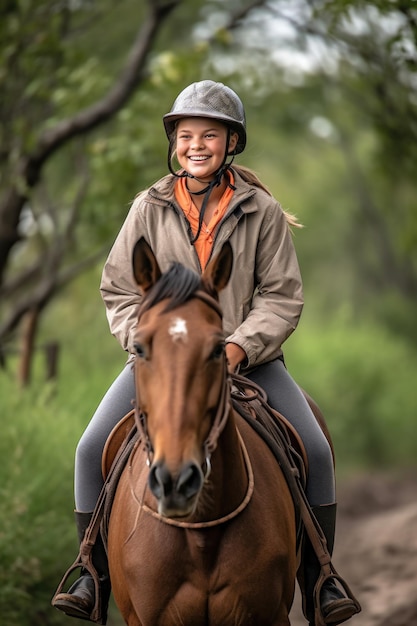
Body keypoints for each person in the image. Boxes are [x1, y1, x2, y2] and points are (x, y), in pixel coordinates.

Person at [52, 80, 360, 625]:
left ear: (232, 143)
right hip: (161, 362)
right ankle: (90, 576)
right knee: (89, 447)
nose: (197, 145)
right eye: (186, 134)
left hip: (249, 362)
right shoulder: (148, 207)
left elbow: (282, 295)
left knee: (313, 447)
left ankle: (321, 580)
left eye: (210, 135)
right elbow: (119, 289)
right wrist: (148, 345)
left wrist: (239, 347)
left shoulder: (260, 210)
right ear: (174, 141)